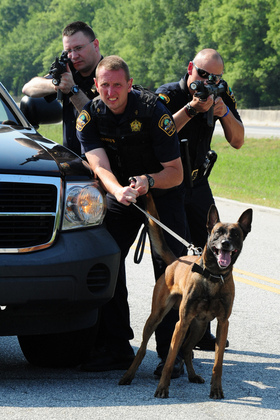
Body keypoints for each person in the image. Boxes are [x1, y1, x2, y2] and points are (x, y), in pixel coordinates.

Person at [76, 55, 187, 377]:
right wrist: (118, 192)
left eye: (117, 85)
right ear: (96, 86)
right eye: (105, 85)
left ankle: (172, 352)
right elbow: (99, 166)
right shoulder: (90, 116)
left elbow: (175, 172)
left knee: (171, 271)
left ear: (129, 84)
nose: (111, 92)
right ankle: (116, 347)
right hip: (122, 193)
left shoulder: (154, 111)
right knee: (105, 261)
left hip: (163, 191)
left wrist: (148, 182)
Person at [156, 48, 244, 350]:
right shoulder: (168, 95)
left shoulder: (221, 95)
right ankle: (171, 348)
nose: (208, 82)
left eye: (216, 78)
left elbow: (238, 140)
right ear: (191, 68)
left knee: (210, 254)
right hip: (169, 184)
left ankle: (201, 331)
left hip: (197, 182)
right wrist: (193, 108)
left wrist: (224, 112)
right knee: (175, 260)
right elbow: (160, 136)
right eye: (203, 75)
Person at [22, 21, 102, 156]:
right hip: (72, 160)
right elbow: (28, 88)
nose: (74, 56)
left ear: (95, 45)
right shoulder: (69, 70)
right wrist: (56, 84)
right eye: (68, 51)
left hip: (102, 160)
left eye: (78, 48)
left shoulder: (109, 74)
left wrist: (72, 90)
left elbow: (99, 121)